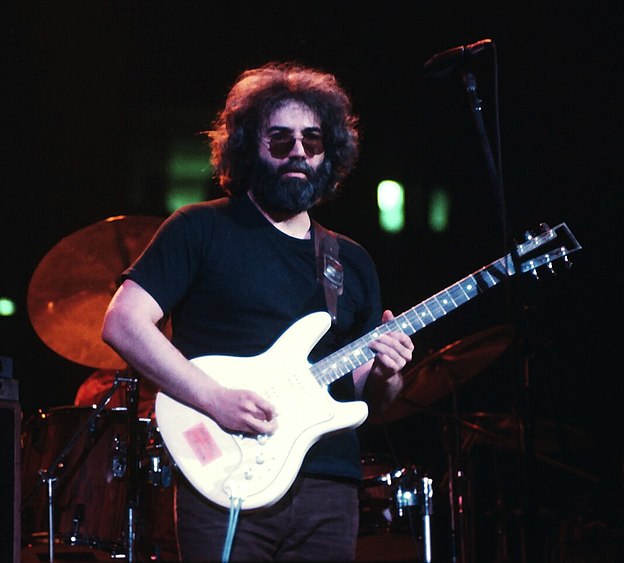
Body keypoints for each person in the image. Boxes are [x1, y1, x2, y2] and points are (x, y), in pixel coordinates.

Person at [102, 61, 415, 562]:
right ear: (249, 147)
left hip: (329, 487)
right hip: (227, 475)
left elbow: (369, 402)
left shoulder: (351, 261)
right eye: (280, 139)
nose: (298, 152)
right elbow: (122, 322)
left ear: (328, 155)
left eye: (312, 142)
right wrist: (214, 399)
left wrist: (387, 373)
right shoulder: (199, 228)